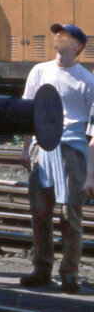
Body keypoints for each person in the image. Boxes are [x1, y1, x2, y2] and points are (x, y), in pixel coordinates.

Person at [19, 22, 94, 294]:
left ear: (78, 47)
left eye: (67, 35)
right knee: (39, 210)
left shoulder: (87, 80)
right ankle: (42, 269)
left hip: (72, 149)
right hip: (42, 147)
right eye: (57, 33)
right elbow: (28, 111)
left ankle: (70, 274)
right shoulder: (39, 71)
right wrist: (26, 148)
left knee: (69, 213)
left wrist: (90, 173)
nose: (59, 38)